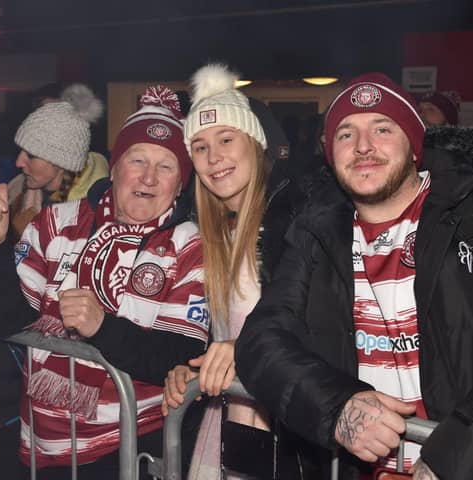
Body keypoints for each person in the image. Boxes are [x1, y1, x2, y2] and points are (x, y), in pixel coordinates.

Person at [235, 73, 473, 480]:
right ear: (330, 153)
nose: (364, 146)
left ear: (414, 147)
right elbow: (262, 340)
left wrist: (454, 461)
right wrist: (335, 407)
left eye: (383, 128)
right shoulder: (315, 231)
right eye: (346, 134)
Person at [0, 85, 207, 479]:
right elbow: (7, 320)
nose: (148, 176)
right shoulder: (55, 222)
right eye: (137, 160)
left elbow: (178, 353)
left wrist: (102, 328)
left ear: (180, 183)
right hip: (39, 446)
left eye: (165, 166)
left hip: (127, 450)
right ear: (114, 168)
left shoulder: (188, 245)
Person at [162, 63, 321, 479]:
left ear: (255, 142)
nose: (214, 158)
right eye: (199, 146)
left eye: (226, 139)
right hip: (229, 421)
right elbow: (219, 332)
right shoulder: (212, 234)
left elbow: (317, 323)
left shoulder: (296, 223)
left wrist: (246, 347)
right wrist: (190, 368)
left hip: (285, 426)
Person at [7, 83, 109, 241]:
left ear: (62, 163)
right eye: (20, 151)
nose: (19, 162)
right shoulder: (15, 195)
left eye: (32, 155)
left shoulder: (95, 214)